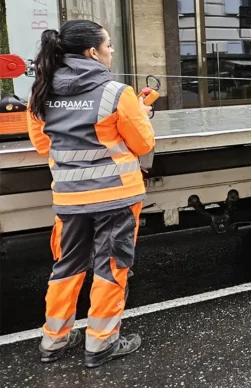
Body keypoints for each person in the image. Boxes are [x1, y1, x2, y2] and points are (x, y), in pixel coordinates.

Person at [27, 20, 155, 368]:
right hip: (116, 197)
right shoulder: (117, 92)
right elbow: (144, 144)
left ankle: (54, 340)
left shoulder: (40, 92)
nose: (111, 51)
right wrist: (142, 115)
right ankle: (100, 344)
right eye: (109, 45)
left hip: (68, 200)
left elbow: (43, 146)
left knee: (66, 266)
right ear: (92, 52)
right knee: (111, 267)